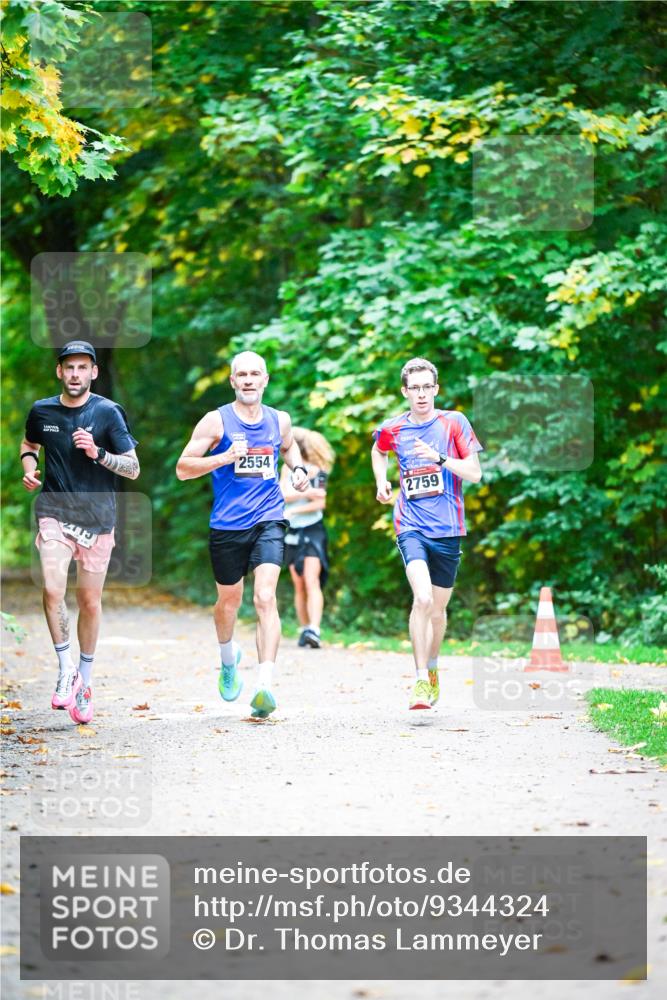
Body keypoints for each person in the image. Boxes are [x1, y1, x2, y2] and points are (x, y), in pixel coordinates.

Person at [175, 350, 308, 718]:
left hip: (269, 517)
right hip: (227, 525)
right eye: (242, 375)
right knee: (229, 603)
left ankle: (265, 684)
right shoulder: (215, 422)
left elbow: (289, 446)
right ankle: (228, 658)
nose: (249, 380)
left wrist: (296, 469)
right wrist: (223, 457)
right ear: (233, 381)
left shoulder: (279, 420)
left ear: (265, 380)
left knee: (266, 596)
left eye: (255, 374)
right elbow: (183, 468)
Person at [21, 341, 140, 725]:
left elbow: (133, 468)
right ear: (59, 371)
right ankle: (65, 667)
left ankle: (84, 683)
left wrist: (98, 454)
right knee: (53, 587)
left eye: (82, 368)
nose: (75, 374)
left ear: (93, 372)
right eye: (68, 367)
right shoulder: (42, 410)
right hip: (54, 510)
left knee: (89, 602)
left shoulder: (107, 413)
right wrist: (28, 466)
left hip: (97, 519)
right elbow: (29, 443)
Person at [371, 357, 483, 711]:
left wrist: (439, 459)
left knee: (438, 609)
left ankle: (432, 668)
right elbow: (378, 449)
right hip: (411, 524)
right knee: (421, 599)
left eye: (426, 387)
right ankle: (420, 681)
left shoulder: (454, 423)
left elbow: (475, 473)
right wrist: (381, 480)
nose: (421, 394)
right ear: (405, 391)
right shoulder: (394, 427)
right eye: (414, 388)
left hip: (448, 529)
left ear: (436, 389)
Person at [280, 427, 335, 649]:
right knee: (298, 583)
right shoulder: (287, 468)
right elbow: (282, 494)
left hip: (313, 529)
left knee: (312, 579)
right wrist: (306, 493)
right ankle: (304, 629)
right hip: (292, 531)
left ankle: (314, 629)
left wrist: (294, 509)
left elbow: (320, 501)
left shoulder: (319, 471)